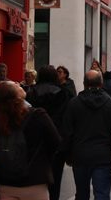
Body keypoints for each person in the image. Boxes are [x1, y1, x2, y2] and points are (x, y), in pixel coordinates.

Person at [61, 70, 111, 200]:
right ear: (101, 83)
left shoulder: (74, 104)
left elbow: (67, 131)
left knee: (81, 194)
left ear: (84, 83)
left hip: (80, 154)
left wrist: (67, 154)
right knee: (102, 194)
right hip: (103, 155)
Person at [28, 65, 72, 200]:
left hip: (34, 141)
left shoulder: (32, 92)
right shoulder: (64, 93)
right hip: (57, 141)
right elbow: (67, 120)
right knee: (56, 178)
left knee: (35, 178)